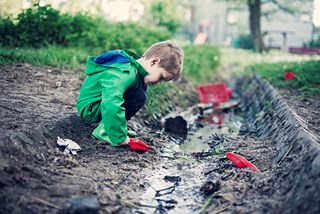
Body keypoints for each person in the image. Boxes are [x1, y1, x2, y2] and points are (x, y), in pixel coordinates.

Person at [76, 41, 184, 147]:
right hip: (90, 108)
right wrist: (119, 137)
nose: (159, 83)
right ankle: (106, 132)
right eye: (161, 77)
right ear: (154, 62)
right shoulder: (126, 72)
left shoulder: (136, 73)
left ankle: (113, 128)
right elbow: (111, 100)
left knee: (140, 91)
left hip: (98, 104)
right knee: (138, 96)